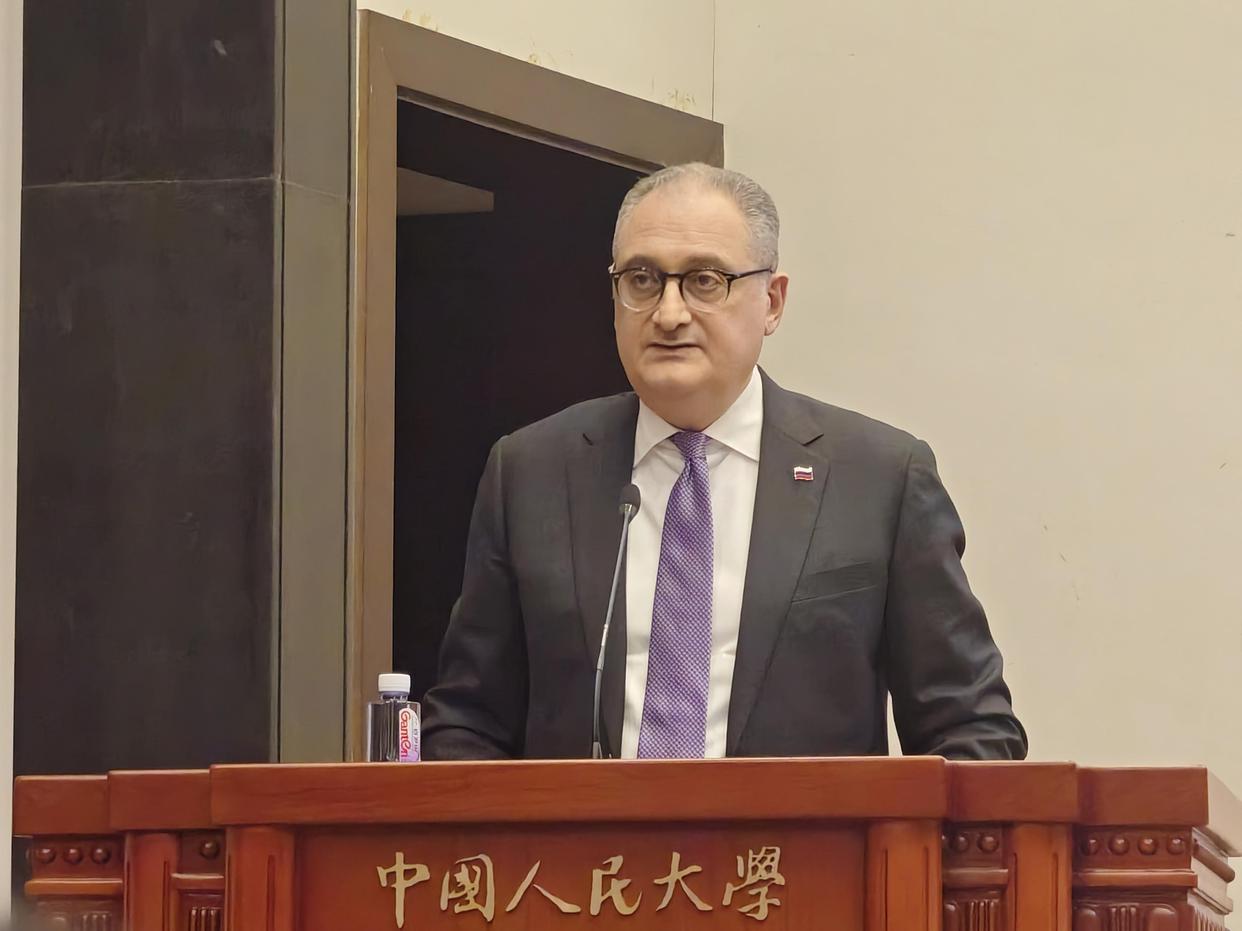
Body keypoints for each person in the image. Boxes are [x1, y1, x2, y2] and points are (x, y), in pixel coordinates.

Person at [421, 163, 1026, 761]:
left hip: (798, 833)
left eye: (705, 281)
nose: (668, 313)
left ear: (772, 302)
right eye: (642, 279)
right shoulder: (531, 472)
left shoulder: (879, 479)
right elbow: (468, 723)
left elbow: (972, 730)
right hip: (585, 833)